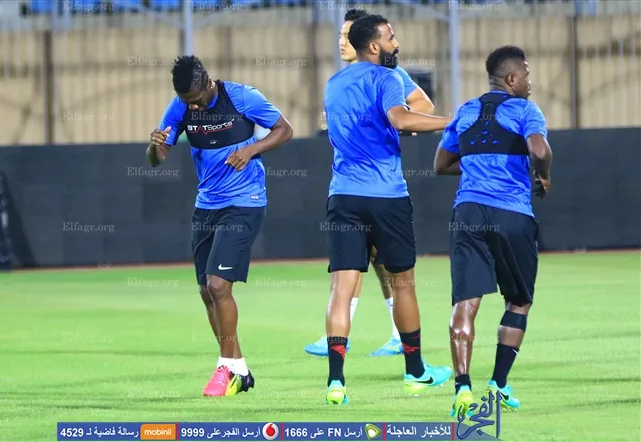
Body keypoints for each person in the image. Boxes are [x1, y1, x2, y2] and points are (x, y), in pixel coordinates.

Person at [322, 14, 453, 405]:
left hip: (343, 195)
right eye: (391, 37)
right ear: (374, 45)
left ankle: (335, 382)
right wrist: (453, 122)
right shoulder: (388, 78)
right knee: (403, 284)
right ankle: (415, 373)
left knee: (342, 289)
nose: (397, 43)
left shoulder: (334, 83)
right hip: (385, 195)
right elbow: (399, 118)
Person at [147, 55, 293, 397]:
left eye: (196, 99)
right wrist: (155, 147)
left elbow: (285, 130)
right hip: (206, 206)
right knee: (205, 291)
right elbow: (156, 159)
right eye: (186, 101)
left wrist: (252, 149)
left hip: (244, 202)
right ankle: (240, 370)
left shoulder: (242, 97)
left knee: (218, 285)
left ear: (208, 83)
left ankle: (224, 368)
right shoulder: (180, 107)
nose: (192, 107)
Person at [304, 8, 437, 359]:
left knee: (358, 270)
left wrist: (401, 124)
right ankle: (405, 355)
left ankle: (344, 358)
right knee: (378, 268)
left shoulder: (389, 75)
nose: (341, 41)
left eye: (346, 35)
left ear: (365, 42)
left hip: (358, 189)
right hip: (375, 189)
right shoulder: (343, 81)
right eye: (340, 35)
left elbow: (420, 107)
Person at [433, 45, 552, 417]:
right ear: (512, 78)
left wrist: (475, 166)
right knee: (518, 301)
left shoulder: (466, 111)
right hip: (512, 214)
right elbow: (540, 150)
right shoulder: (526, 110)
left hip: (468, 213)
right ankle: (498, 384)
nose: (530, 82)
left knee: (465, 302)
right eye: (527, 75)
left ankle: (462, 389)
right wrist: (543, 174)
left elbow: (441, 164)